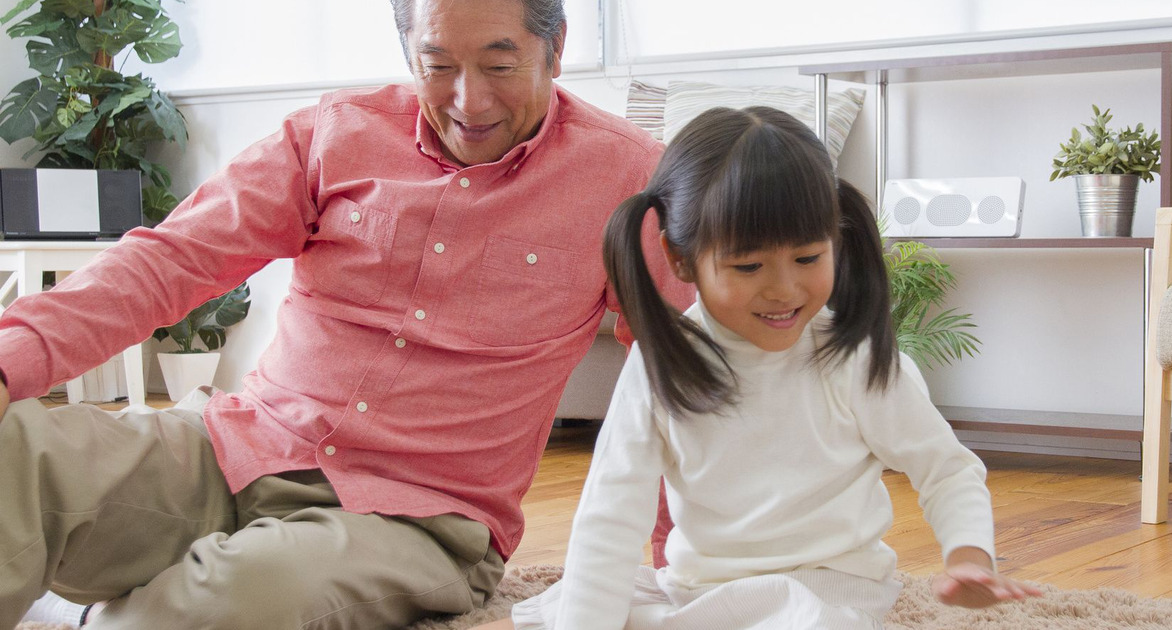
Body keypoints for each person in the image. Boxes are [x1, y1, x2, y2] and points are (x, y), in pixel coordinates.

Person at [0, 0, 690, 627]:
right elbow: (171, 260)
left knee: (239, 596)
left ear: (556, 46)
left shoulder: (628, 181)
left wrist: (677, 560)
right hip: (242, 449)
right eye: (438, 65)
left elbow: (674, 373)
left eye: (500, 64)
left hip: (420, 518)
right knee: (15, 456)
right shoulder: (333, 135)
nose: (468, 99)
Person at [475, 106, 1042, 630]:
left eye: (808, 258)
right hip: (701, 590)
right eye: (748, 266)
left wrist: (969, 555)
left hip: (833, 590)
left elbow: (946, 469)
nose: (784, 289)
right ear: (680, 258)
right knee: (576, 604)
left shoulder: (852, 355)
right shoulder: (663, 361)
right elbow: (611, 510)